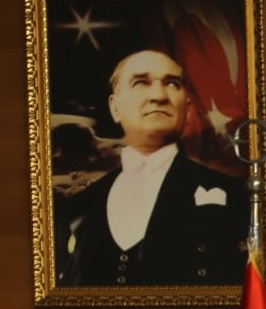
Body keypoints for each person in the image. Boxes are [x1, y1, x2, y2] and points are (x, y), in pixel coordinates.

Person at [56, 49, 248, 289]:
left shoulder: (236, 197)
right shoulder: (80, 206)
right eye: (140, 83)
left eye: (172, 84)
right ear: (115, 108)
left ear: (188, 110)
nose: (158, 96)